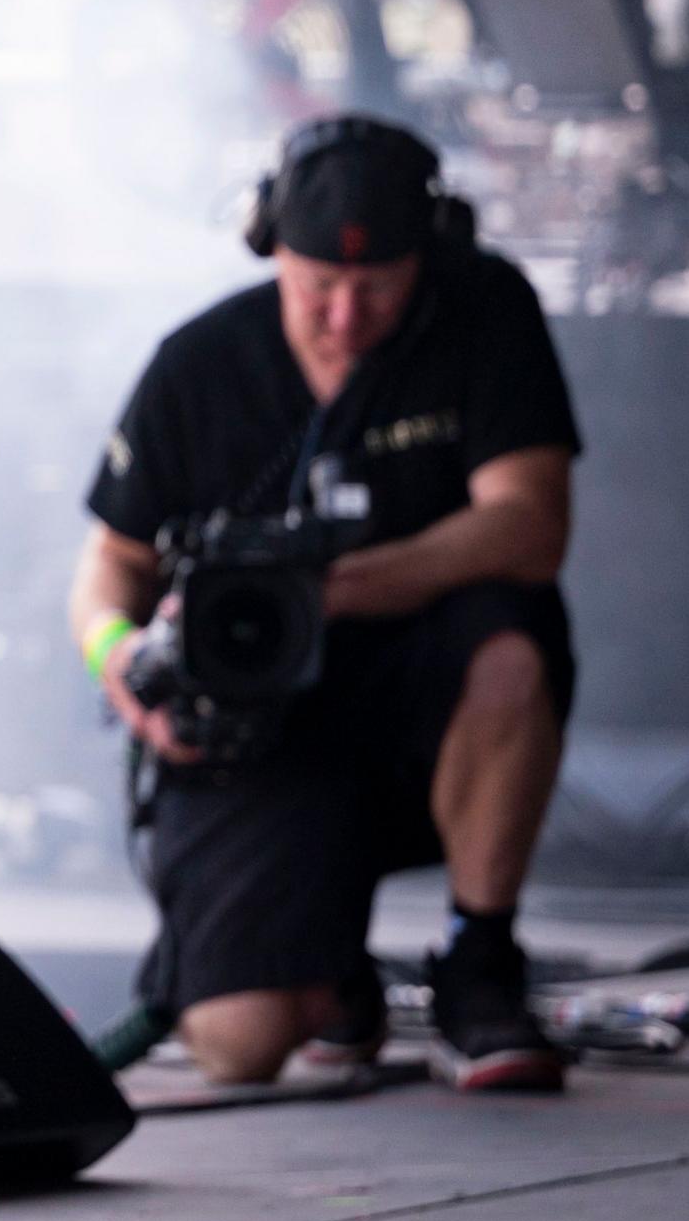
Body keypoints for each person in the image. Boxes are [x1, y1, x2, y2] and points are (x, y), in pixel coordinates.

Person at [66, 114, 580, 1096]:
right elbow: (106, 566)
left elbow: (530, 524)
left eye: (378, 287)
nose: (347, 317)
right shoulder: (198, 364)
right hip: (262, 721)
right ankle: (327, 971)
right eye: (319, 288)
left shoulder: (485, 312)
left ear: (430, 255)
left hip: (428, 690)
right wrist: (121, 660)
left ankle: (480, 960)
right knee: (237, 1042)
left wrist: (327, 588)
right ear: (271, 250)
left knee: (513, 648)